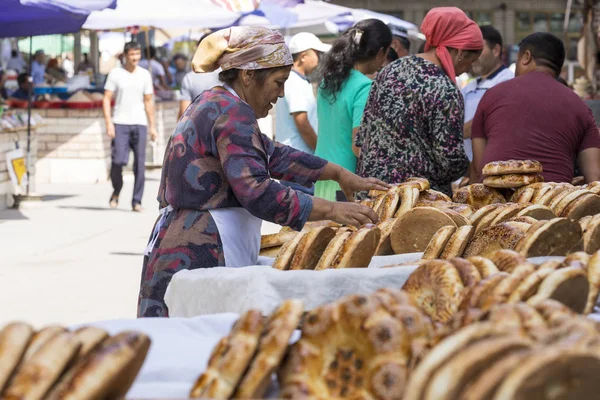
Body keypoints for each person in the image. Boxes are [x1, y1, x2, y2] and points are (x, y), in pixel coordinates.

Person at [138, 27, 388, 317]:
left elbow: (272, 153)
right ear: (248, 76)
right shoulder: (232, 111)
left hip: (184, 240)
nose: (281, 94)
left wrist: (338, 174)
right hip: (201, 247)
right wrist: (332, 209)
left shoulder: (217, 101)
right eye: (278, 82)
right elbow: (257, 192)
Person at [355, 7, 483, 196]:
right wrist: (471, 168)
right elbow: (450, 160)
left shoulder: (391, 69)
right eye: (471, 61)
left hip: (373, 191)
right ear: (460, 52)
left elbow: (363, 134)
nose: (467, 69)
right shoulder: (445, 89)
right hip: (416, 200)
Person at [470, 32, 600, 184]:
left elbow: (479, 168)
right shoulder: (581, 107)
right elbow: (595, 178)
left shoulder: (492, 95)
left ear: (526, 57)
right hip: (553, 202)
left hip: (498, 202)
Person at [314, 19, 393, 201]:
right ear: (381, 52)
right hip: (346, 181)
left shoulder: (328, 81)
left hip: (323, 173)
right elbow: (358, 146)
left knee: (324, 229)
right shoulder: (364, 87)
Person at [103, 41, 157, 212]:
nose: (135, 58)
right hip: (120, 122)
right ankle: (116, 191)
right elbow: (106, 99)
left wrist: (152, 126)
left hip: (140, 123)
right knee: (118, 161)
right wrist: (108, 123)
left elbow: (149, 101)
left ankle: (136, 201)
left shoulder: (145, 75)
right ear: (125, 55)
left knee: (140, 165)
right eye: (132, 54)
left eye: (137, 54)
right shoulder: (115, 74)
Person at [275, 32, 330, 195]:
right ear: (304, 56)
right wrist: (319, 152)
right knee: (306, 213)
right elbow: (302, 122)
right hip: (298, 160)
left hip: (295, 159)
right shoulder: (294, 81)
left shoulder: (296, 80)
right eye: (317, 54)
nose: (319, 59)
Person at [462, 25, 513, 161]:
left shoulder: (508, 81)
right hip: (466, 170)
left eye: (478, 50)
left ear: (495, 50)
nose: (473, 56)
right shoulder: (469, 86)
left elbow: (486, 121)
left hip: (494, 168)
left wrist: (451, 134)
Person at [178, 37, 222, 119]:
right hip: (229, 128)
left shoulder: (190, 78)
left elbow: (184, 114)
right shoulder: (230, 73)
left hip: (199, 128)